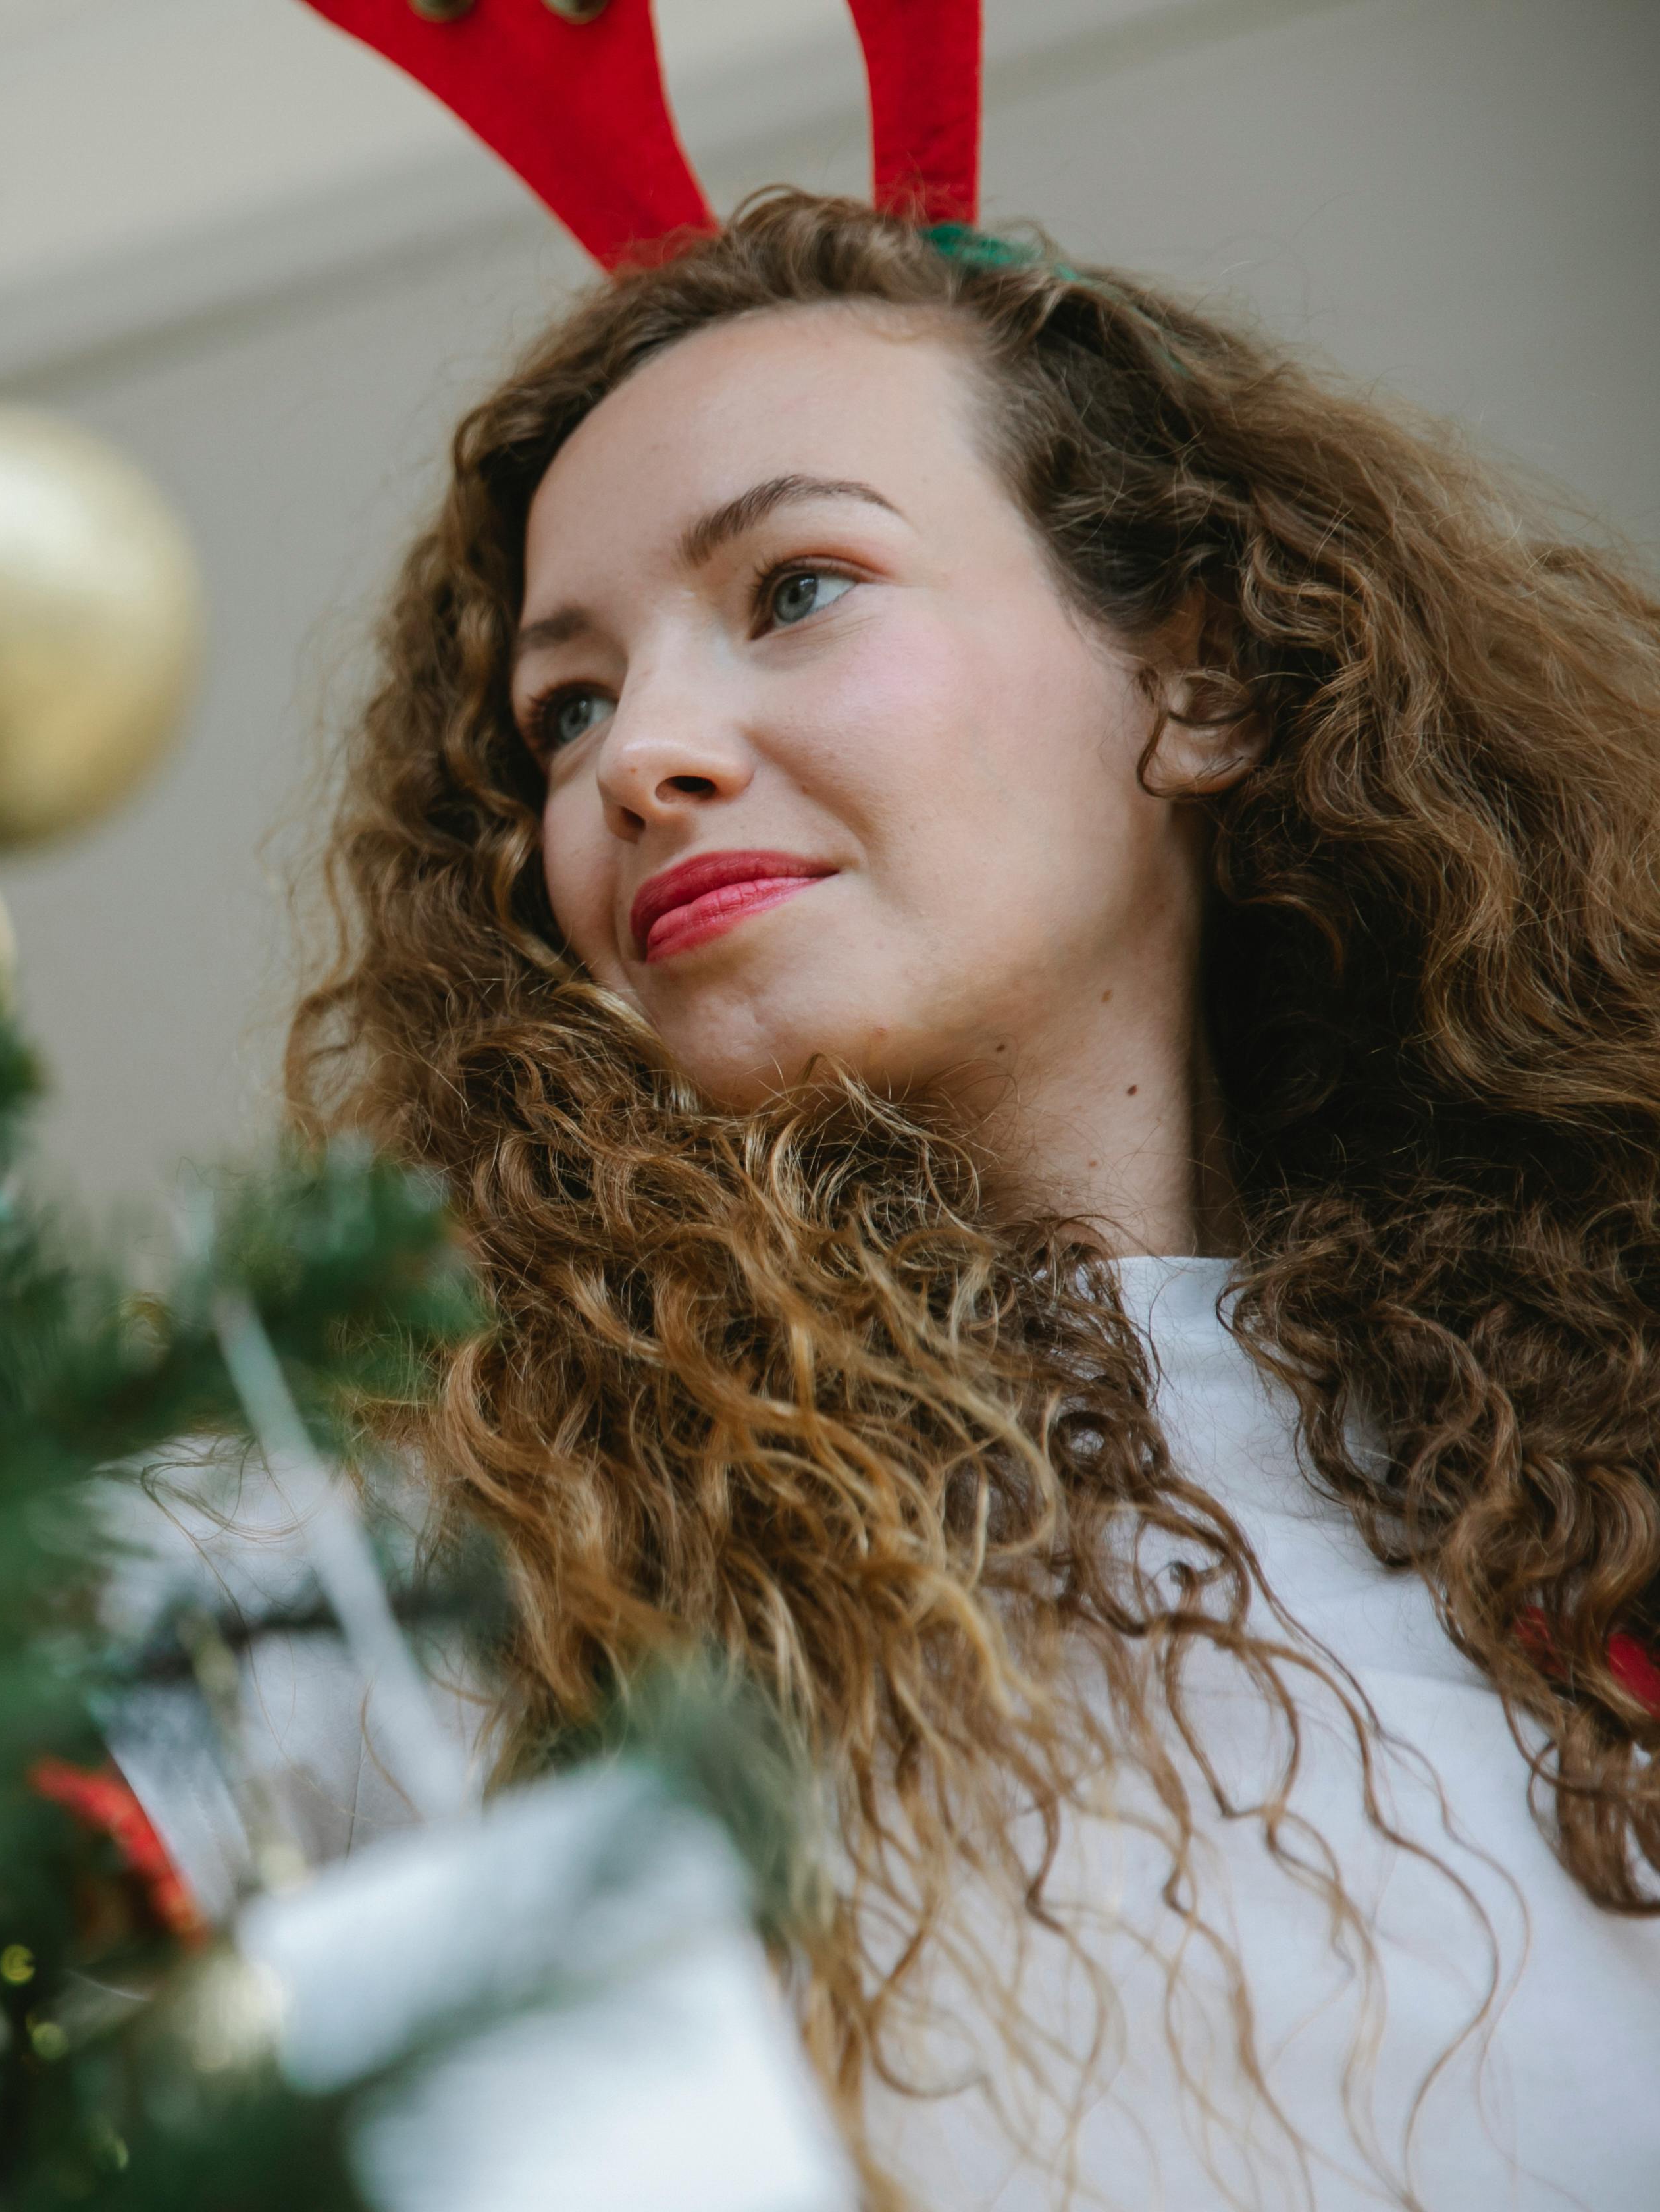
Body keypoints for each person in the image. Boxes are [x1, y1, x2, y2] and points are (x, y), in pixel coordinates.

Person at [289, 189, 1660, 2209]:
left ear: (1200, 681)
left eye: (797, 588)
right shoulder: (435, 1569)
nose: (638, 761)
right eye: (563, 709)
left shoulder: (1585, 1471)